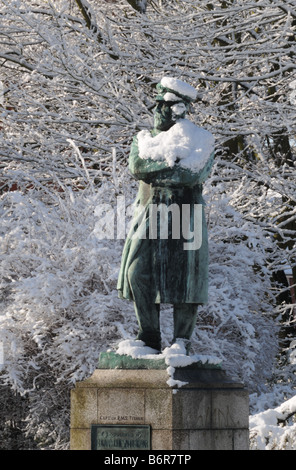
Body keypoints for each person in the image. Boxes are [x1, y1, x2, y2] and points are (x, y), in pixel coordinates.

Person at [117, 77, 214, 353]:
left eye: (166, 105)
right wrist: (172, 166)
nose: (158, 110)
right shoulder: (143, 139)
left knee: (185, 278)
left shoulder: (202, 139)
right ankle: (148, 335)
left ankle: (181, 340)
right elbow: (137, 166)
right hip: (149, 216)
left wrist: (158, 169)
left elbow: (193, 173)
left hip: (185, 214)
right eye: (158, 104)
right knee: (138, 272)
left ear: (180, 108)